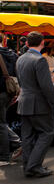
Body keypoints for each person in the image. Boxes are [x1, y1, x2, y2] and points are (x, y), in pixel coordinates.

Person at [16, 31, 54, 177]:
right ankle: (34, 166)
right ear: (42, 43)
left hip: (24, 102)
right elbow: (46, 85)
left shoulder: (20, 59)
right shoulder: (40, 60)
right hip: (39, 104)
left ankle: (29, 166)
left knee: (27, 136)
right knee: (47, 132)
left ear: (27, 43)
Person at [0, 34, 20, 167]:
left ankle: (4, 156)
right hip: (9, 91)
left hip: (1, 92)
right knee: (2, 122)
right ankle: (18, 142)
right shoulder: (12, 54)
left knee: (1, 123)